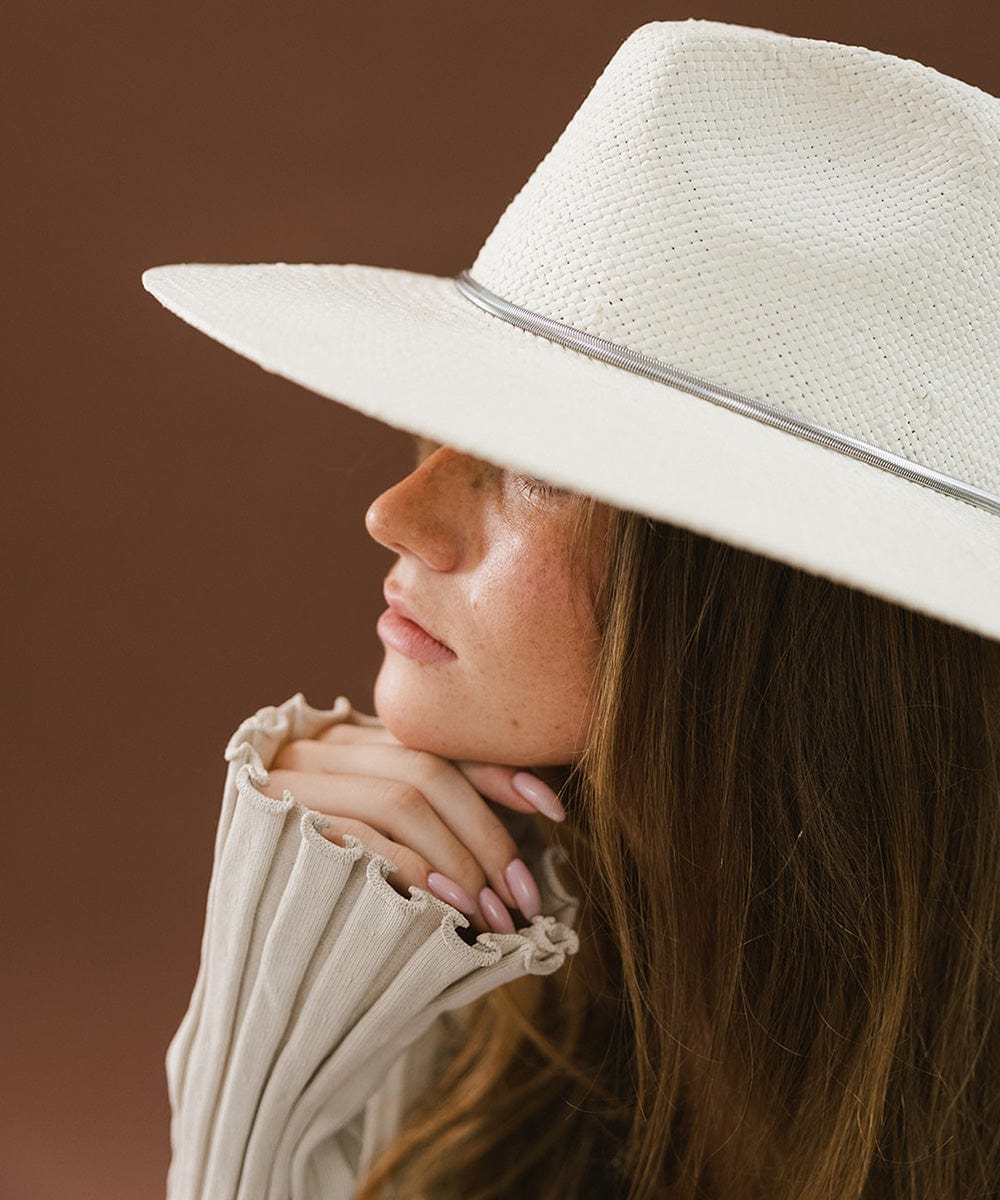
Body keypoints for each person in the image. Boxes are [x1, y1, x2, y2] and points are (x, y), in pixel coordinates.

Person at [143, 17, 1000, 1200]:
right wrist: (282, 996)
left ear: (761, 602)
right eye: (442, 428)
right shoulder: (492, 1008)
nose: (396, 513)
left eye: (531, 459)